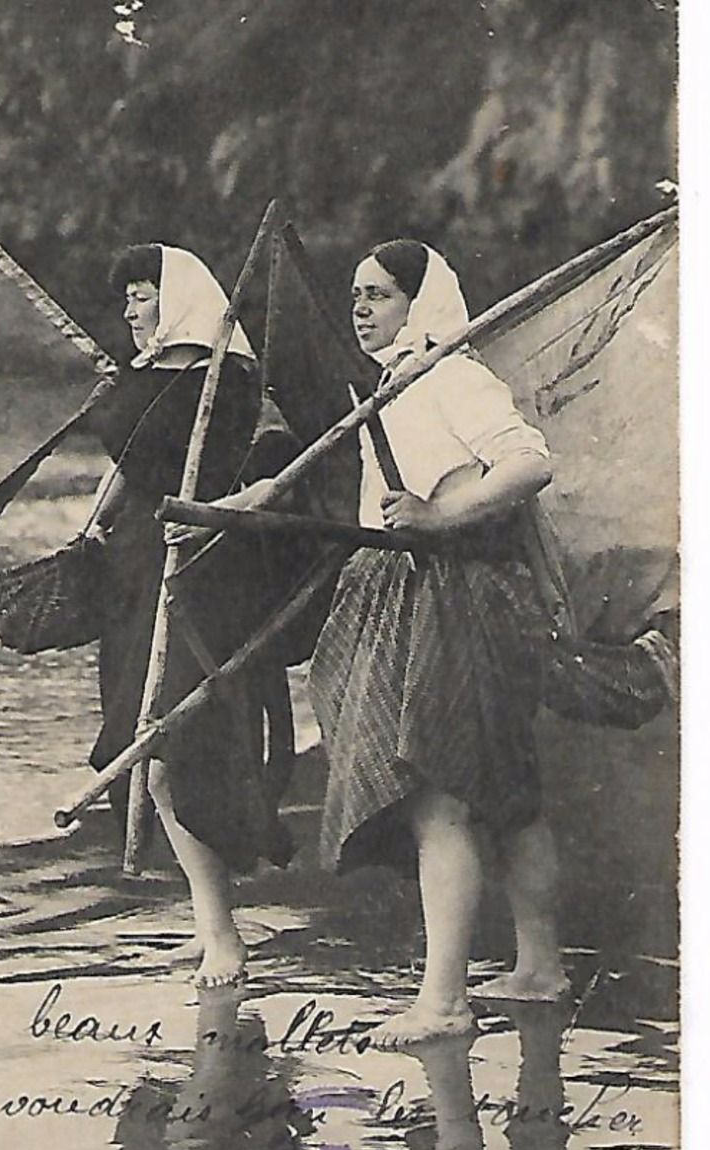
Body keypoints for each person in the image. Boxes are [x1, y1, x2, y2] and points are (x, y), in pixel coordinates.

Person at [306, 240, 568, 1046]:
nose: (360, 309)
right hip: (429, 589)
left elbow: (529, 462)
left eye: (378, 295)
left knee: (439, 796)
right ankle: (539, 967)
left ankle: (444, 1003)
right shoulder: (389, 389)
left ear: (421, 305)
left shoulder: (450, 373)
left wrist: (440, 516)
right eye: (355, 294)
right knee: (504, 792)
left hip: (458, 593)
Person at [85, 243, 293, 989]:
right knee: (140, 738)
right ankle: (213, 922)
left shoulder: (226, 381)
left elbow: (265, 464)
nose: (131, 309)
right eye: (128, 298)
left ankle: (221, 929)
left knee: (171, 737)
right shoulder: (144, 376)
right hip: (136, 560)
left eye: (143, 294)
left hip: (199, 559)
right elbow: (130, 463)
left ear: (176, 297)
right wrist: (91, 526)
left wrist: (215, 512)